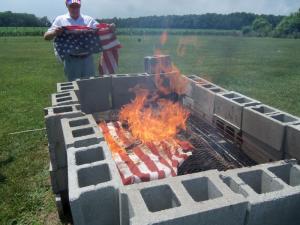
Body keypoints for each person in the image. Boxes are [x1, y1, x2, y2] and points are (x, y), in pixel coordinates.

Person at [44, 0, 114, 81]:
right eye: (72, 6)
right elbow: (46, 36)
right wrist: (54, 32)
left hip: (88, 60)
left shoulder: (89, 20)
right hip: (71, 60)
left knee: (90, 86)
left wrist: (110, 28)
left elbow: (101, 29)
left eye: (77, 6)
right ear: (67, 5)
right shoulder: (60, 19)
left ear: (80, 6)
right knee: (73, 87)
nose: (75, 8)